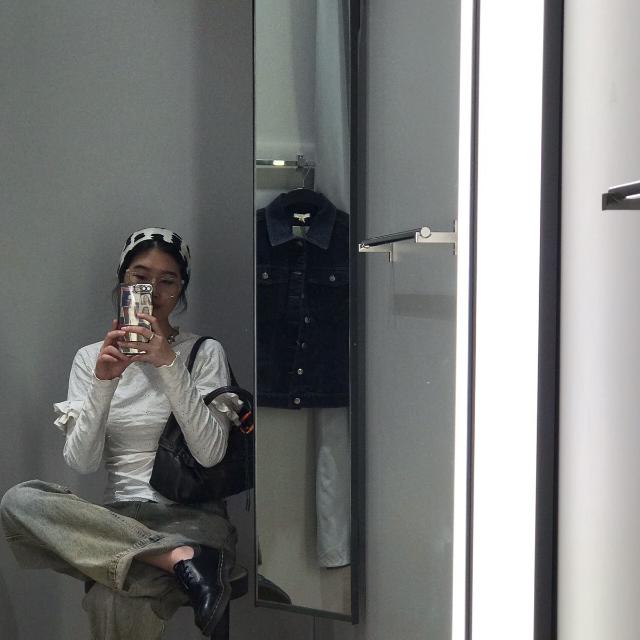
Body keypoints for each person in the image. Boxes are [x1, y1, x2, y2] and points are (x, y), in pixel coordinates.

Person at [1, 227, 237, 639]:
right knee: (18, 501)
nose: (153, 292)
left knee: (111, 598)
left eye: (167, 281)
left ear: (181, 289)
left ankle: (170, 554)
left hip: (192, 518)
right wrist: (104, 382)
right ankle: (179, 560)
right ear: (122, 281)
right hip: (117, 520)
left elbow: (210, 453)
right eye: (140, 277)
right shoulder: (91, 357)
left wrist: (169, 365)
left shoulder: (204, 353)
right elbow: (82, 462)